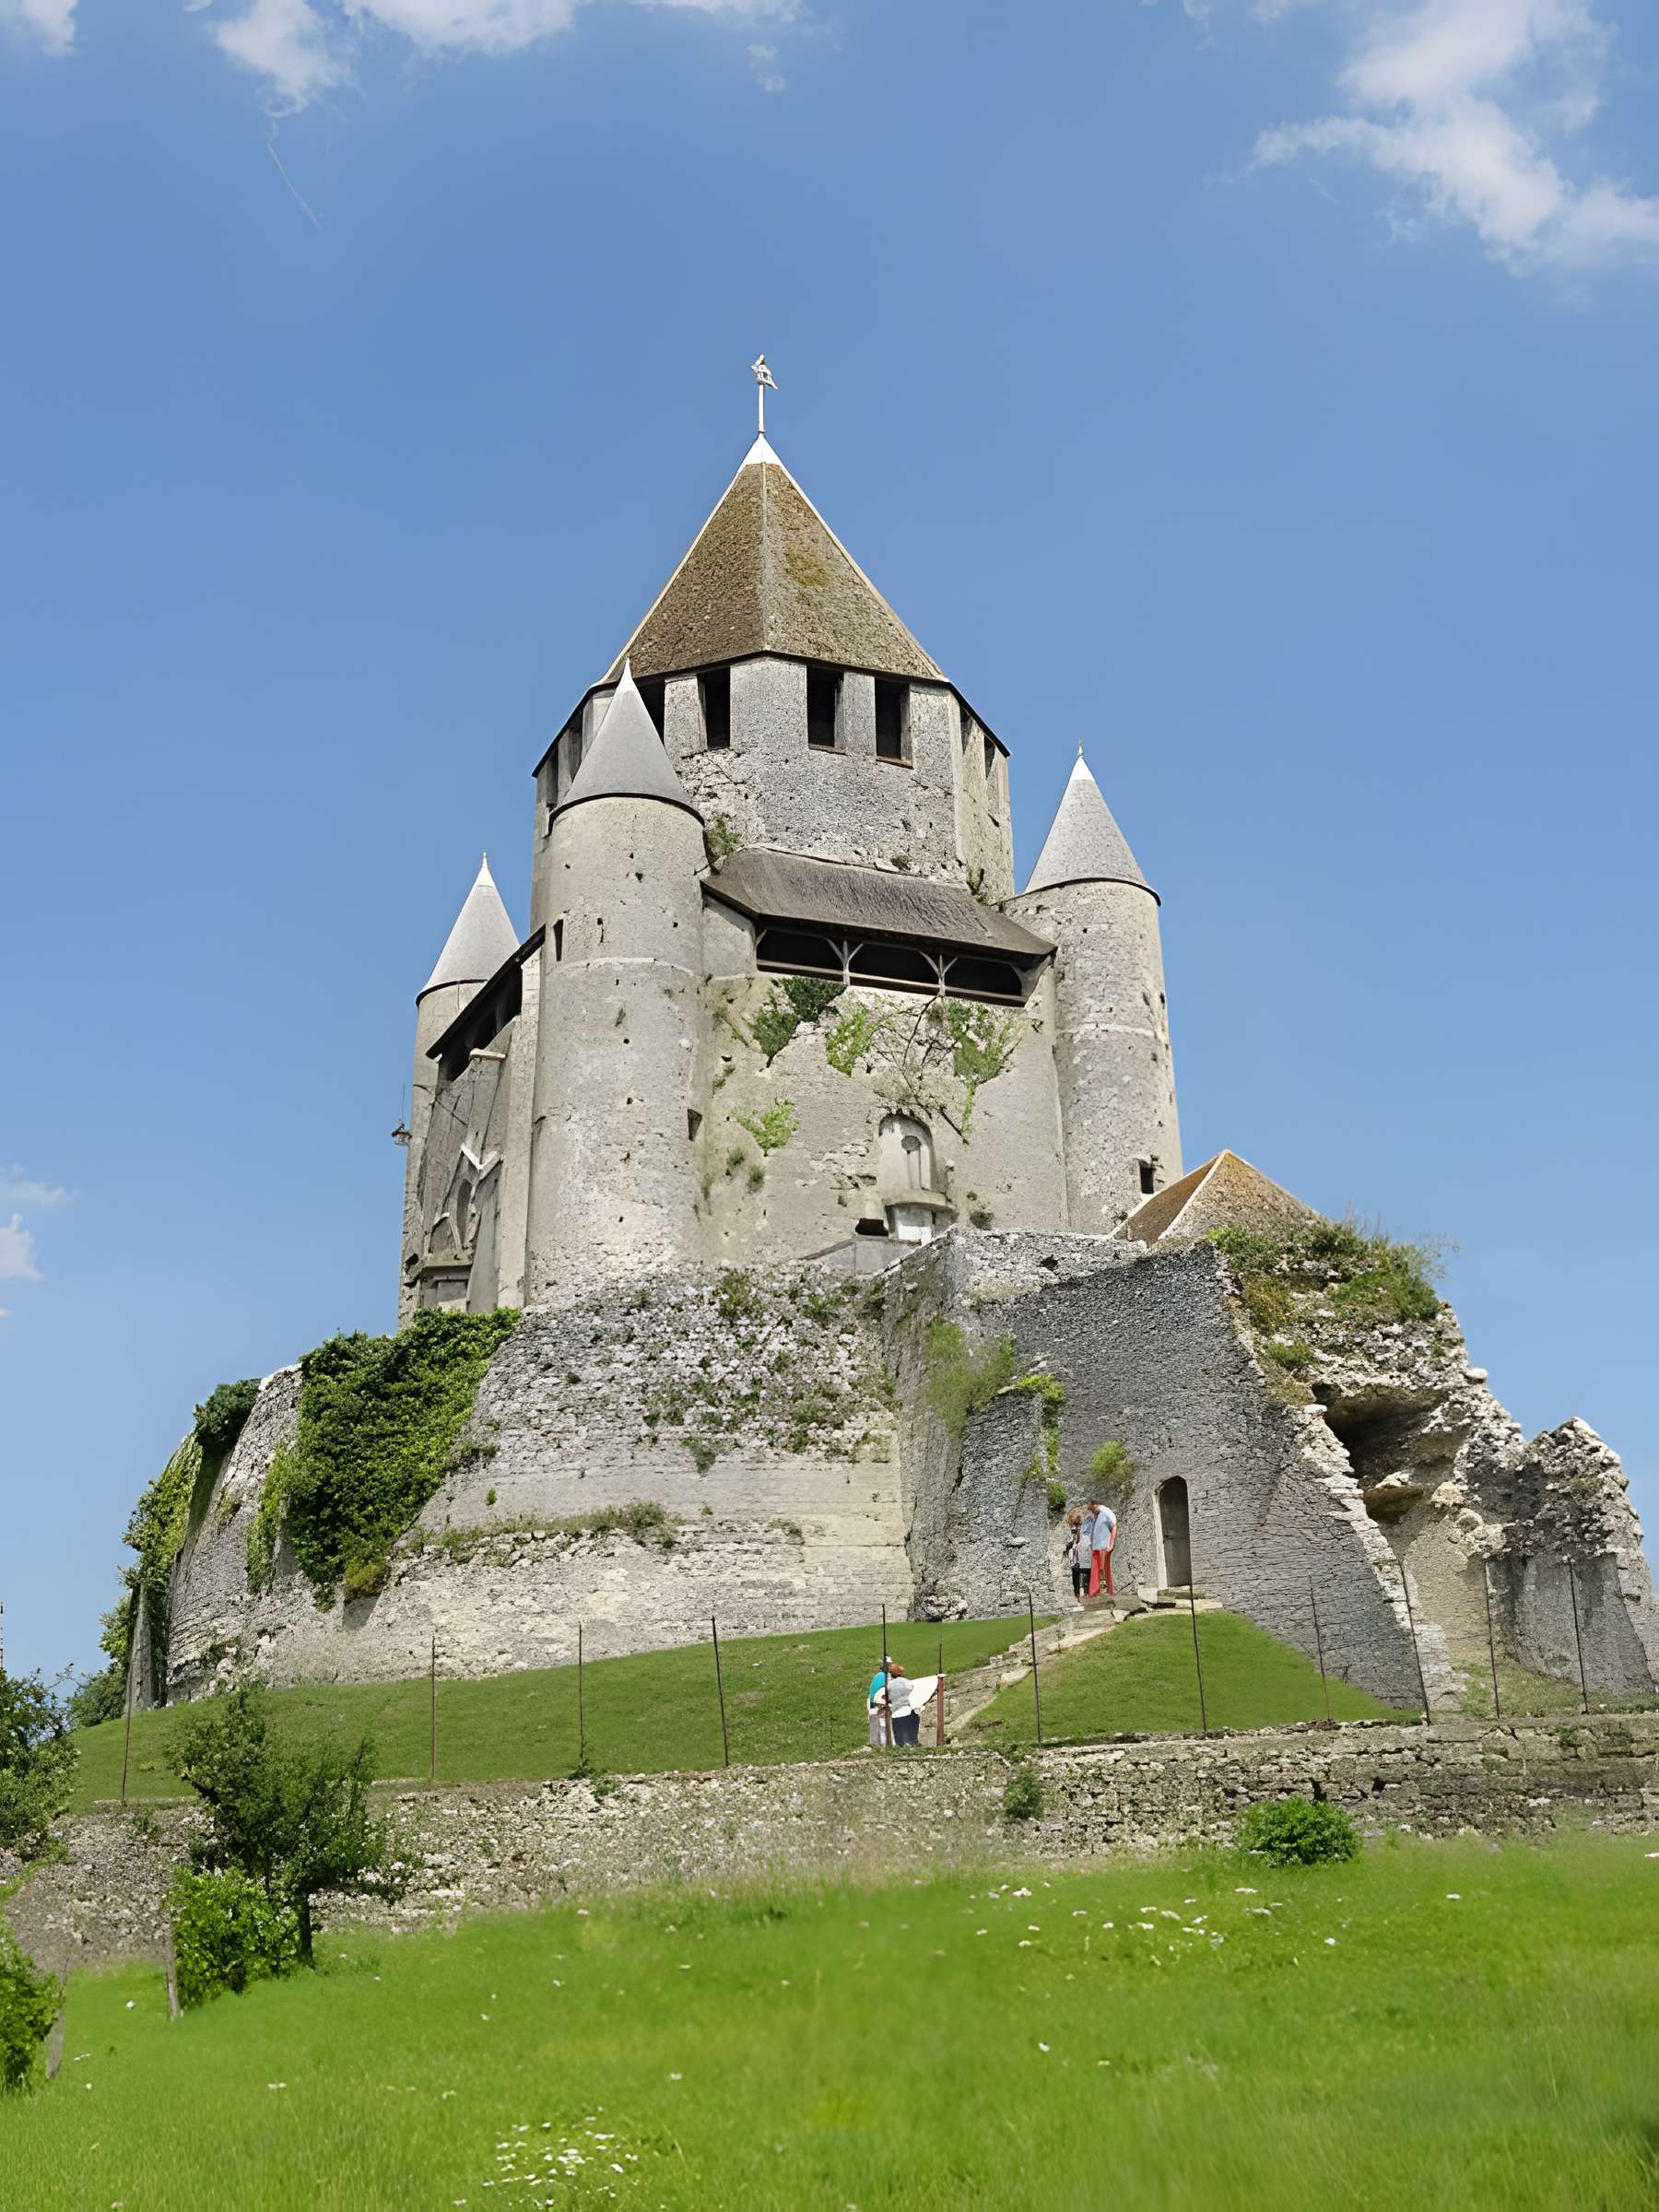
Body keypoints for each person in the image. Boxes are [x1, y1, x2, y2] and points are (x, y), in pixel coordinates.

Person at [1088, 1499, 1117, 1600]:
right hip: (1096, 1548)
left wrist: (1111, 1544)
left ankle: (1109, 1591)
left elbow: (1114, 1527)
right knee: (1095, 1571)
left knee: (1104, 1569)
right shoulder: (1095, 1518)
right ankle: (1094, 1593)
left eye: (1091, 1509)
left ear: (1095, 1505)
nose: (1091, 1511)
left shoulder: (1105, 1514)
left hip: (1104, 1547)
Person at [1064, 1509, 1090, 1605]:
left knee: (1087, 1573)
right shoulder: (1069, 1531)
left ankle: (1086, 1594)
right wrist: (1072, 1541)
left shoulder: (1083, 1530)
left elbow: (1084, 1541)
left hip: (1083, 1555)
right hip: (1074, 1558)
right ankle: (1077, 1596)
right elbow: (1067, 1546)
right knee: (1076, 1577)